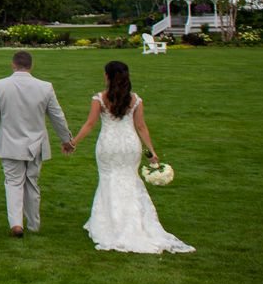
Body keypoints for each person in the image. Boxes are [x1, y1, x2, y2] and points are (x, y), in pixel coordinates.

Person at [70, 61, 193, 254]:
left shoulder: (100, 98)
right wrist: (151, 151)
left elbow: (90, 124)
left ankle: (109, 223)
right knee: (129, 179)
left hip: (109, 145)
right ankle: (133, 221)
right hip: (129, 145)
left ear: (108, 76)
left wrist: (73, 142)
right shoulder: (135, 99)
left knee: (109, 179)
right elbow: (141, 126)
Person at [0, 50, 74, 237]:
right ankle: (33, 224)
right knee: (32, 183)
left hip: (9, 143)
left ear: (13, 64)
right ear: (31, 66)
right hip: (35, 144)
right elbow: (58, 116)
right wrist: (66, 140)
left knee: (14, 183)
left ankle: (16, 223)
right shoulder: (45, 87)